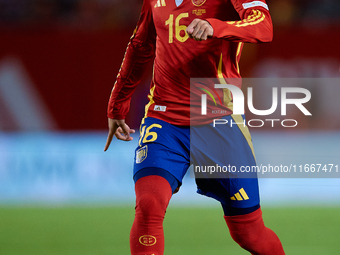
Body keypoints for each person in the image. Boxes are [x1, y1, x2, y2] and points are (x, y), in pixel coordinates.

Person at [104, 0, 285, 254]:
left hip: (220, 121)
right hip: (165, 119)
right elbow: (141, 44)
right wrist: (117, 104)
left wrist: (216, 26)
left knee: (249, 233)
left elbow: (264, 26)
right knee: (149, 205)